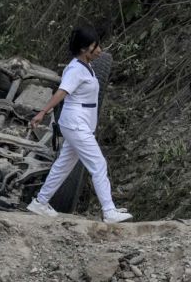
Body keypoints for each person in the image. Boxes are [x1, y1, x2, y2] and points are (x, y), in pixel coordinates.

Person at [26, 27, 132, 223]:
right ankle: (109, 211)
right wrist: (43, 112)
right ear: (84, 49)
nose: (99, 50)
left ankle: (40, 202)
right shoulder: (76, 69)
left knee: (63, 165)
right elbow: (62, 91)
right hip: (76, 123)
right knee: (98, 164)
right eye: (95, 46)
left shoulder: (86, 66)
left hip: (79, 122)